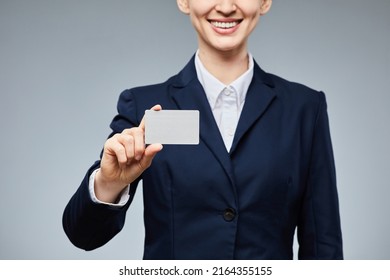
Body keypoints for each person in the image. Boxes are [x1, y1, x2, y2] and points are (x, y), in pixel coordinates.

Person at [63, 0, 343, 259]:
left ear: (265, 1)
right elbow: (84, 235)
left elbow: (323, 247)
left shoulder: (304, 109)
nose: (225, 6)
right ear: (184, 1)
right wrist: (109, 183)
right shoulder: (146, 107)